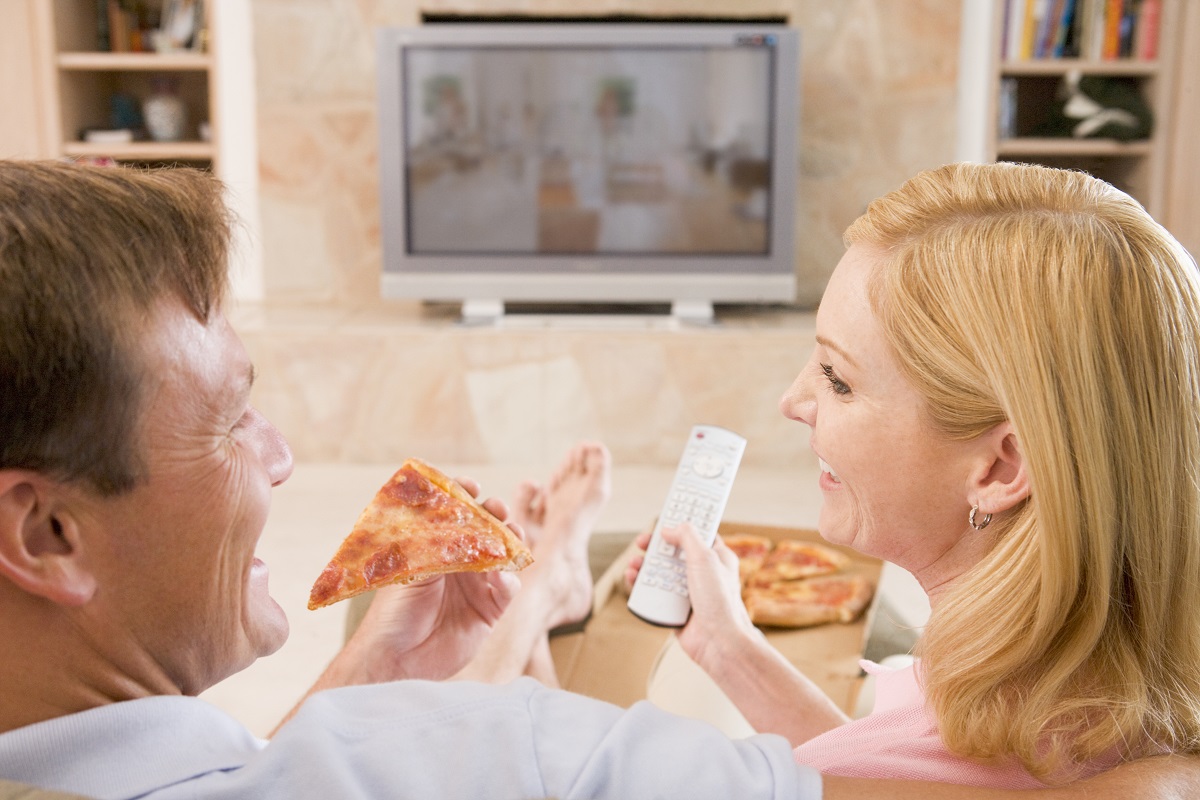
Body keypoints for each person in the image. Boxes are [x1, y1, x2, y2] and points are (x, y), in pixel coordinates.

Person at [0, 160, 1197, 800]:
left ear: (1002, 463)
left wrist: (368, 668)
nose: (285, 457)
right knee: (532, 642)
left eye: (835, 377)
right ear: (47, 529)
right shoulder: (506, 755)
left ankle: (546, 589)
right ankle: (545, 591)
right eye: (230, 419)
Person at [628, 161, 1200, 787]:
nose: (793, 401)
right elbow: (886, 771)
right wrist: (728, 644)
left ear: (1002, 466)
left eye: (839, 380)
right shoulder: (1106, 698)